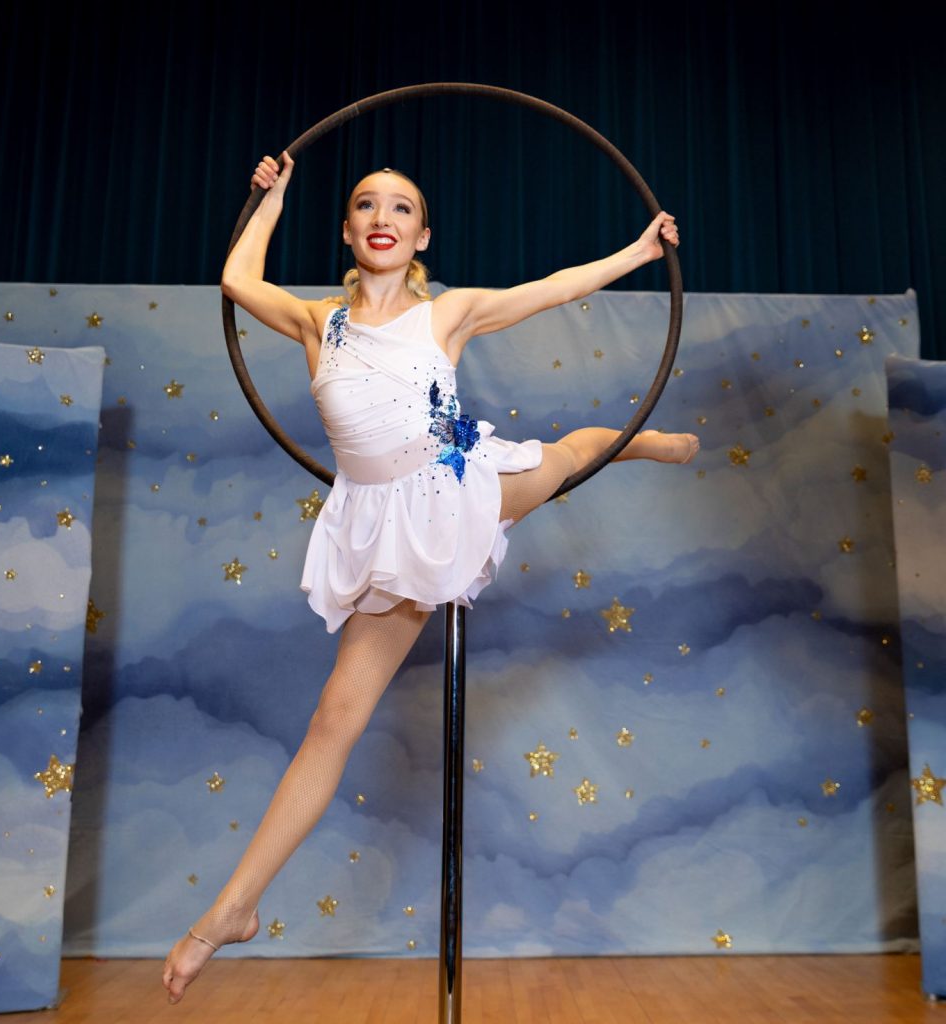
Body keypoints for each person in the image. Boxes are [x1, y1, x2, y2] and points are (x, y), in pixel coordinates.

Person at [162, 151, 696, 1003]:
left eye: (402, 207)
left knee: (569, 453)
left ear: (421, 237)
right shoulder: (315, 324)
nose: (383, 215)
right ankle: (233, 908)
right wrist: (271, 198)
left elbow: (553, 287)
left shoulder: (446, 316)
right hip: (379, 525)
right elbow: (234, 277)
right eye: (366, 204)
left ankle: (645, 444)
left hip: (455, 486)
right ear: (347, 230)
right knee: (334, 718)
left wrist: (638, 252)